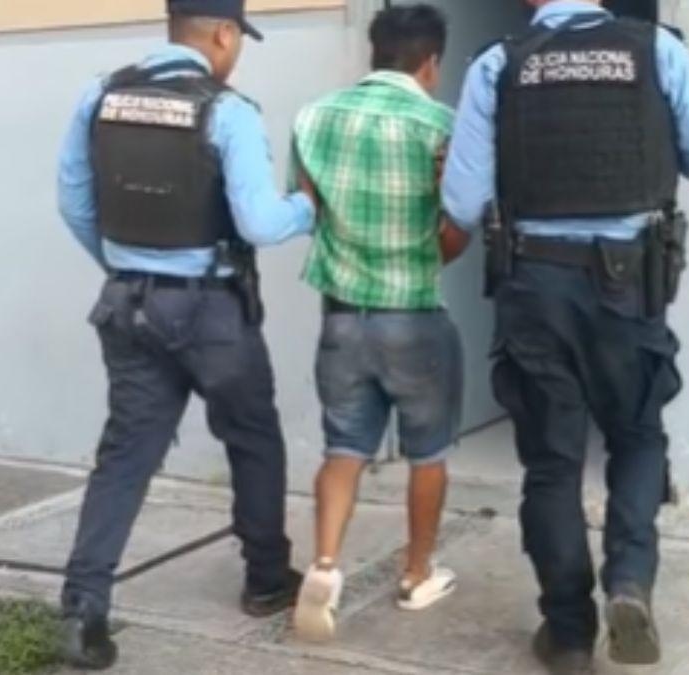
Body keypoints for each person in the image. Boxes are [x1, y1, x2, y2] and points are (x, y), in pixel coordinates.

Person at [442, 0, 689, 673]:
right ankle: (629, 580)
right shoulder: (657, 51)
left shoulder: (497, 66)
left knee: (552, 462)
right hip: (627, 284)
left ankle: (569, 634)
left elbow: (462, 204)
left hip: (534, 286)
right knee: (637, 435)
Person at [54, 0, 317, 668]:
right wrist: (308, 206)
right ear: (224, 34)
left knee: (125, 456)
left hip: (127, 305)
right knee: (253, 438)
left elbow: (74, 202)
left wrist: (124, 266)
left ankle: (83, 608)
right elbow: (259, 223)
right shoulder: (228, 111)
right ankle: (265, 578)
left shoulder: (101, 96)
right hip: (213, 312)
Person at [287, 4, 470, 643]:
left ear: (375, 51)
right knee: (428, 453)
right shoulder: (443, 126)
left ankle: (324, 564)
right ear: (431, 63)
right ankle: (417, 573)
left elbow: (308, 212)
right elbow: (451, 240)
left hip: (341, 321)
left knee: (344, 449)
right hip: (414, 318)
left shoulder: (313, 118)